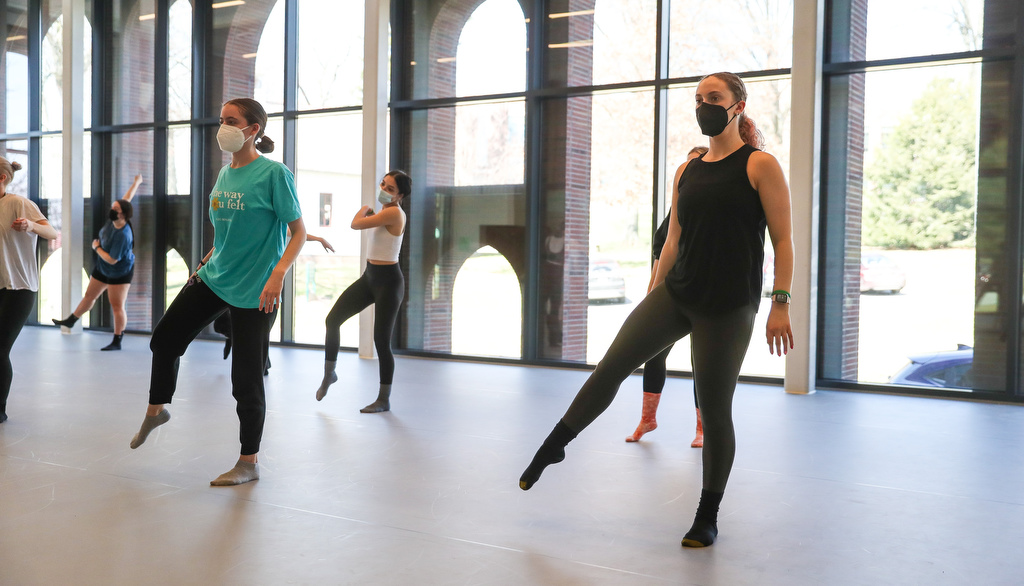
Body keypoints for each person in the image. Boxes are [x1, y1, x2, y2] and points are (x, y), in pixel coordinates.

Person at [519, 72, 794, 548]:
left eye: (715, 97)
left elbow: (784, 239)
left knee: (714, 407)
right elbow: (674, 241)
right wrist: (653, 290)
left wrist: (780, 302)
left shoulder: (759, 165)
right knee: (610, 367)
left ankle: (707, 514)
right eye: (699, 98)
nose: (705, 105)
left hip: (728, 306)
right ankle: (554, 445)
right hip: (677, 293)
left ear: (738, 105)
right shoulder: (687, 170)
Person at [128, 98, 306, 487]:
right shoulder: (226, 174)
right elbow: (226, 230)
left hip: (257, 288)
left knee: (246, 379)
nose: (222, 126)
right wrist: (205, 260)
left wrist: (277, 275)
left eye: (231, 120)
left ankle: (249, 461)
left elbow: (298, 232)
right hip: (215, 276)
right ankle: (157, 409)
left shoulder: (274, 174)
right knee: (165, 339)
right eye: (221, 119)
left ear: (253, 129)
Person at [626, 146, 708, 447]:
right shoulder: (675, 213)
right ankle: (648, 419)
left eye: (693, 167)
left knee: (702, 363)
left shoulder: (710, 214)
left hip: (702, 297)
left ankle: (703, 429)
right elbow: (661, 256)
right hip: (670, 295)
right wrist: (650, 296)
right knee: (654, 355)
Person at [314, 170, 411, 413]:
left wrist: (364, 208)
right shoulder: (384, 213)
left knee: (381, 341)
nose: (384, 190)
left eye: (390, 189)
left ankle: (383, 399)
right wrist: (372, 213)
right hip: (370, 277)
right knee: (333, 320)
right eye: (383, 184)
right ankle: (330, 374)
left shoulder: (393, 213)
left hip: (389, 283)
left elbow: (356, 224)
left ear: (400, 195)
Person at [214, 232, 335, 373]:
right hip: (243, 281)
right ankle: (257, 362)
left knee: (257, 333)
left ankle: (261, 365)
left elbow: (297, 232)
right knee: (248, 332)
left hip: (263, 285)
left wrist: (318, 239)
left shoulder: (274, 229)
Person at [52, 174, 143, 351]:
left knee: (116, 306)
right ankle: (71, 320)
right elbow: (127, 198)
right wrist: (136, 183)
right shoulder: (114, 220)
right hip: (103, 267)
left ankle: (117, 340)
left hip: (120, 272)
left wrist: (96, 247)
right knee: (89, 295)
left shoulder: (124, 235)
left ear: (122, 213)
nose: (112, 209)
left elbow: (113, 259)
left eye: (115, 208)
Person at [1, 158, 59, 423]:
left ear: (2, 178)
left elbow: (51, 231)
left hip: (19, 289)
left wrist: (30, 226)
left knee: (0, 350)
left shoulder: (18, 203)